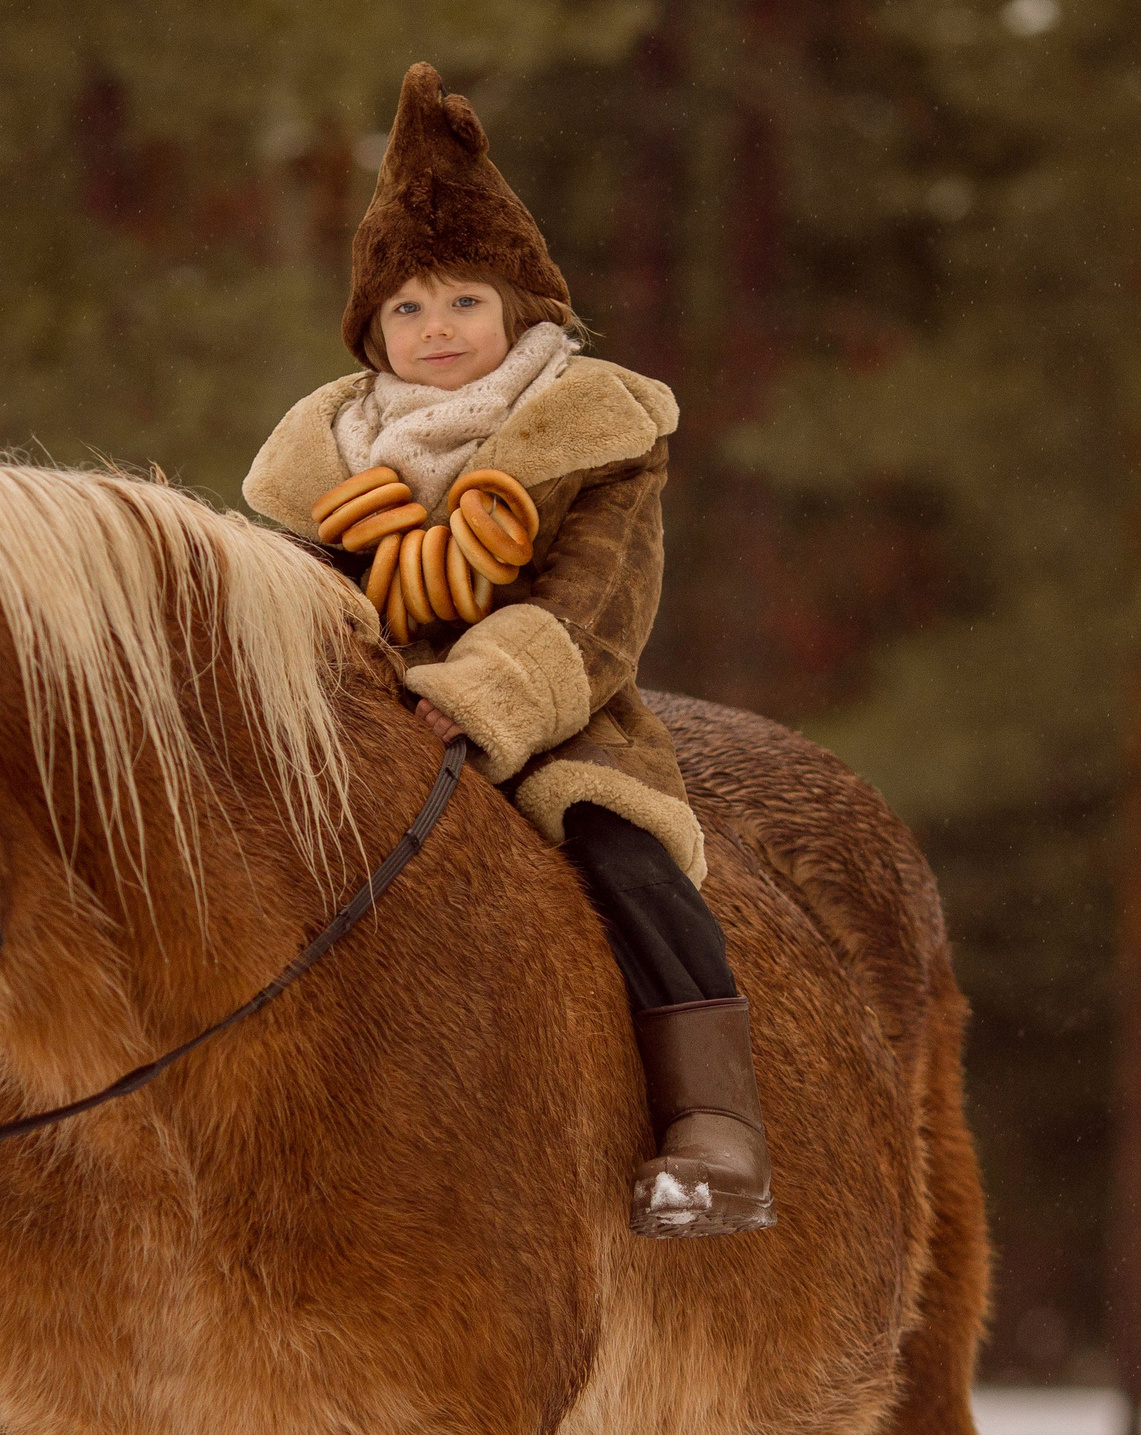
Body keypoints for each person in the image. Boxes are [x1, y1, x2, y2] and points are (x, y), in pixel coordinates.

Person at [243, 63, 772, 1239]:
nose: (438, 331)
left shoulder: (599, 438)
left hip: (556, 723)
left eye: (465, 304)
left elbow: (597, 606)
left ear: (522, 312)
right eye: (410, 310)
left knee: (623, 857)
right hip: (366, 722)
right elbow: (299, 601)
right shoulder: (325, 467)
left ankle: (712, 1124)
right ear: (374, 331)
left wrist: (477, 698)